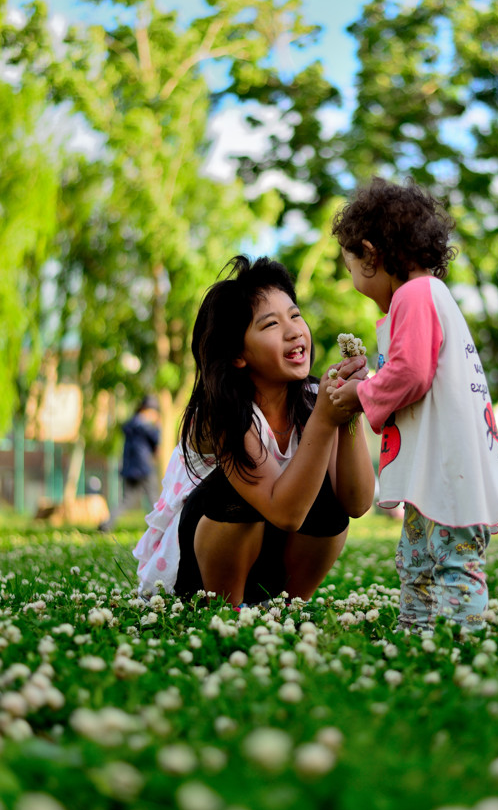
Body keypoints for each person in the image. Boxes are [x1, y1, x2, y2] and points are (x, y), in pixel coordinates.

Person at [327, 178, 498, 632]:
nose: (350, 279)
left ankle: (461, 644)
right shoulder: (423, 297)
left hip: (450, 469)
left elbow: (411, 374)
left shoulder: (415, 295)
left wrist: (360, 394)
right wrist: (369, 378)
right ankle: (417, 636)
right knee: (416, 561)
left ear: (370, 254)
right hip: (437, 470)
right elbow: (414, 374)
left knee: (453, 564)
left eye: (349, 266)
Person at [133, 255, 375, 605]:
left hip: (269, 559)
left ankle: (287, 607)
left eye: (295, 315)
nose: (294, 330)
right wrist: (325, 419)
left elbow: (355, 502)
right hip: (196, 571)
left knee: (325, 494)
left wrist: (348, 414)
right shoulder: (220, 412)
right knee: (235, 492)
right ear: (237, 355)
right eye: (270, 325)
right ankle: (226, 611)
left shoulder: (311, 400)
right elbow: (285, 513)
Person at [100, 395, 161, 532]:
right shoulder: (144, 426)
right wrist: (158, 427)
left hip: (130, 469)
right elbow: (156, 440)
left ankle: (107, 524)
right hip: (144, 468)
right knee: (153, 498)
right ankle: (159, 528)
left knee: (126, 500)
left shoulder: (130, 426)